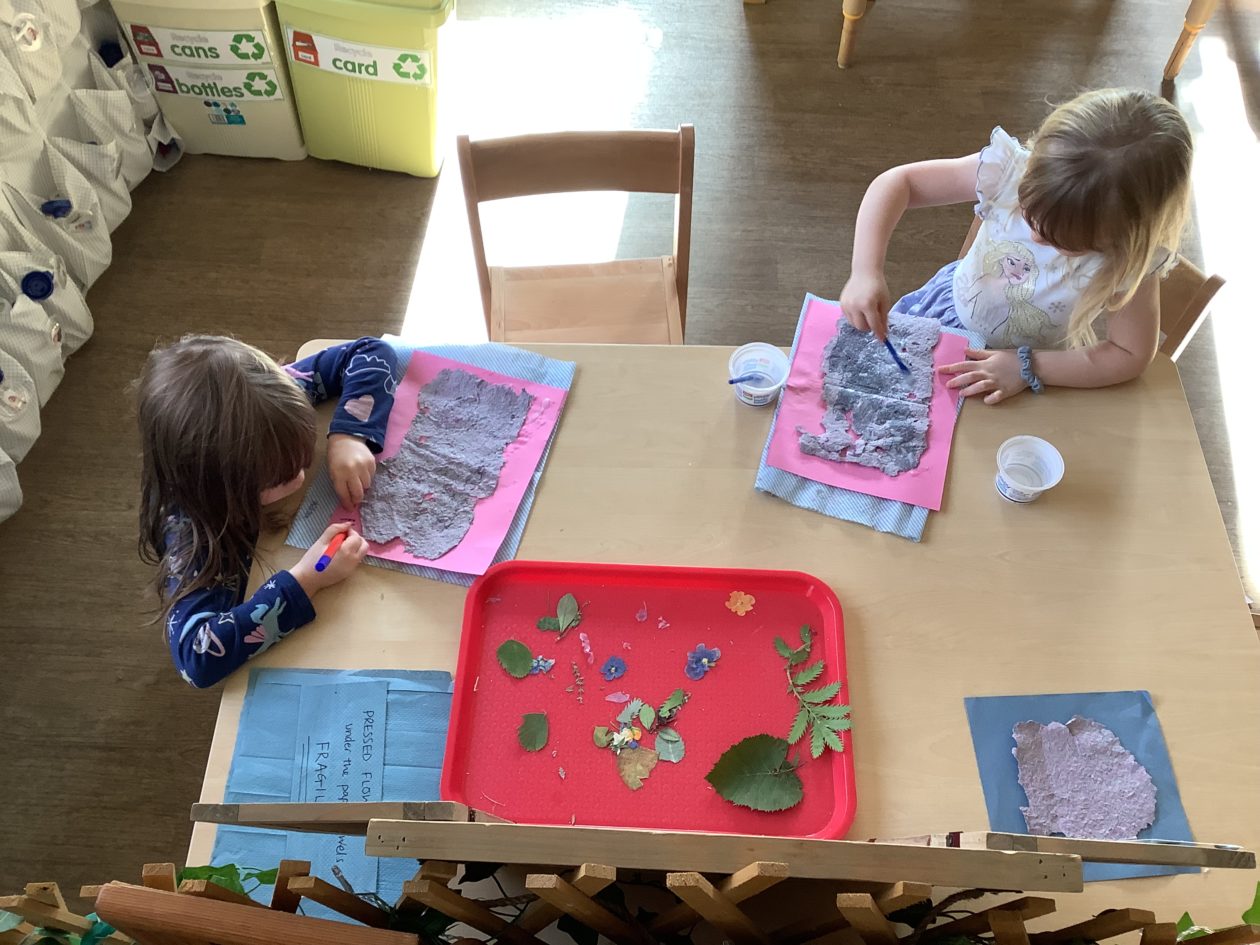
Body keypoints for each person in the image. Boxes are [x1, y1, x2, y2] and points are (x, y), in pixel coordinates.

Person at [839, 88, 1193, 403]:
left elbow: (1129, 354)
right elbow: (899, 182)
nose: (1036, 237)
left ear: (1122, 237)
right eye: (1028, 211)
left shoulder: (1130, 258)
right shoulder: (1008, 171)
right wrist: (865, 271)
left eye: (1062, 240)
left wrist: (1028, 366)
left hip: (1032, 368)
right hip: (946, 320)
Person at [136, 335, 399, 688]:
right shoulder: (189, 532)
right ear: (223, 490)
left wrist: (348, 436)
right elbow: (197, 659)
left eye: (303, 457)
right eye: (280, 477)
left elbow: (370, 352)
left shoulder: (269, 404)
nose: (301, 476)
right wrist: (309, 578)